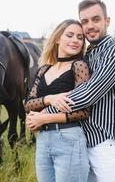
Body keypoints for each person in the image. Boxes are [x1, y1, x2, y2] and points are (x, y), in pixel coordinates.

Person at [28, 0, 115, 182]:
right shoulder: (89, 53)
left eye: (96, 19)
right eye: (85, 21)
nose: (90, 25)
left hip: (104, 141)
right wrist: (45, 104)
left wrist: (43, 116)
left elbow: (88, 94)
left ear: (107, 21)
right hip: (81, 138)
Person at [24, 19, 90, 182]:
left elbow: (83, 111)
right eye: (70, 35)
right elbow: (28, 104)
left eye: (80, 37)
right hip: (43, 140)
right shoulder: (44, 69)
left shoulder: (79, 66)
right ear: (58, 38)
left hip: (69, 138)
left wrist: (43, 118)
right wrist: (49, 99)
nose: (75, 40)